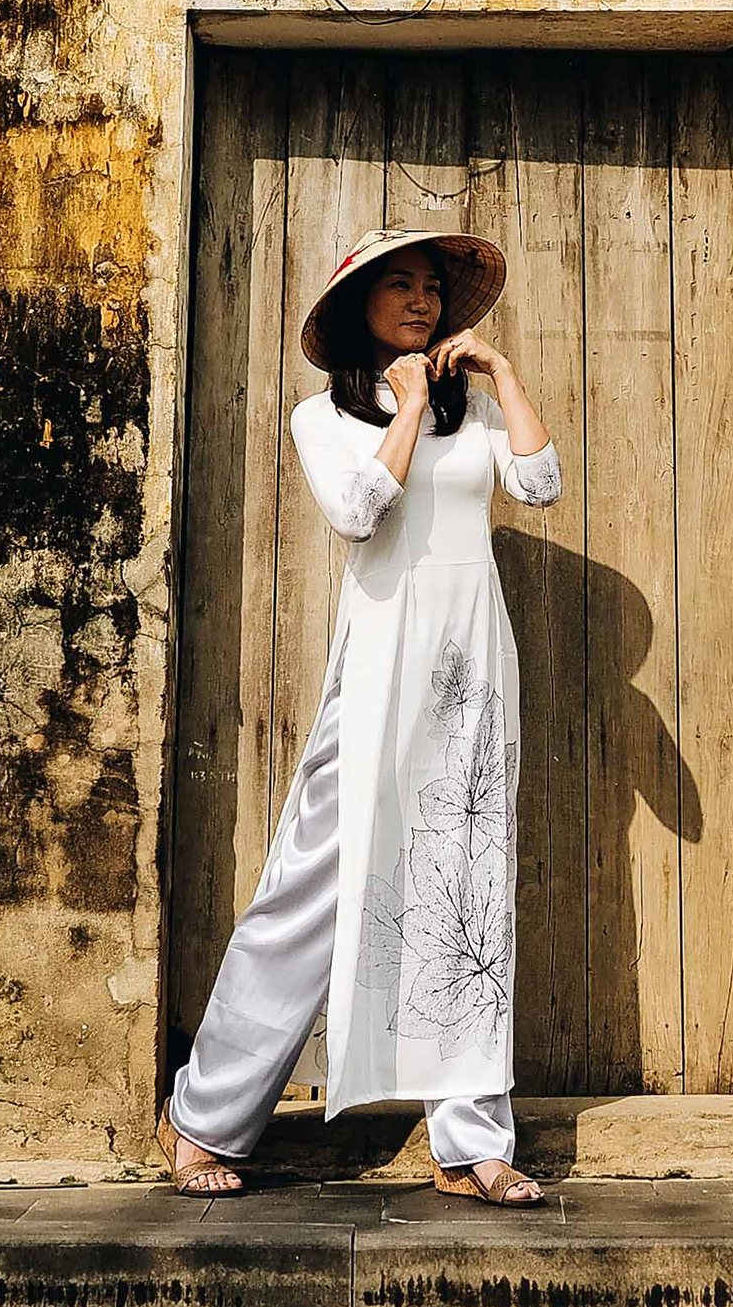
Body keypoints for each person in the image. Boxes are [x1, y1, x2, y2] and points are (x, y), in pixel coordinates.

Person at [163, 225, 564, 1203]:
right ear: (361, 307)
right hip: (381, 670)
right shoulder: (322, 414)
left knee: (466, 899)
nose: (422, 301)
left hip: (469, 678)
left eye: (433, 288)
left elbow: (541, 483)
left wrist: (503, 382)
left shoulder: (472, 418)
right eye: (401, 286)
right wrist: (409, 406)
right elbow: (355, 511)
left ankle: (471, 1145)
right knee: (308, 891)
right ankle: (205, 1120)